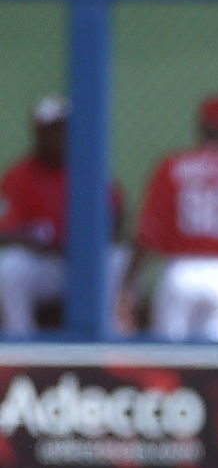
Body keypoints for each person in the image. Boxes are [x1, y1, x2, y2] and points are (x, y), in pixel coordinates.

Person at [119, 94, 218, 343]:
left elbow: (145, 236)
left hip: (180, 271)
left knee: (173, 363)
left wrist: (126, 288)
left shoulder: (171, 168)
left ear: (201, 127)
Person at [0, 95, 129, 337]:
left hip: (84, 262)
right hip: (45, 266)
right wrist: (32, 240)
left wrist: (91, 241)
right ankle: (20, 339)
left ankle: (111, 334)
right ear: (38, 133)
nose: (60, 137)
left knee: (118, 258)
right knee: (11, 266)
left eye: (65, 129)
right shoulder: (18, 175)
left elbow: (118, 217)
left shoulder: (89, 168)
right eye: (53, 130)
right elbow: (5, 230)